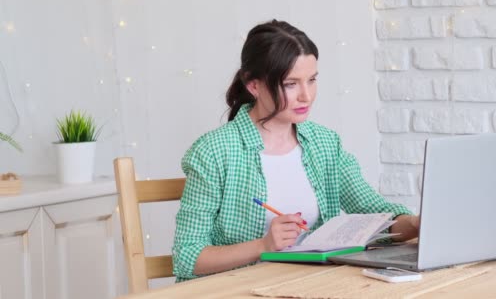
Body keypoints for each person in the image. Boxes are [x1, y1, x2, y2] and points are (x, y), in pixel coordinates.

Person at [172, 19, 419, 282]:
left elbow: (378, 216)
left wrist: (415, 224)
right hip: (236, 290)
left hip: (308, 286)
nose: (306, 96)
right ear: (253, 85)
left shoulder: (324, 144)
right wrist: (263, 246)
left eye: (311, 80)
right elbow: (187, 257)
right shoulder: (213, 152)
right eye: (291, 84)